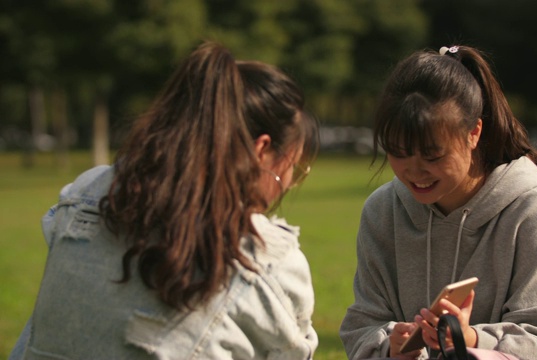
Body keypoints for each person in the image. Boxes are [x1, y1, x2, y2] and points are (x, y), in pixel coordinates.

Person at [9, 41, 319, 360]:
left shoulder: (85, 193)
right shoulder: (267, 257)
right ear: (261, 150)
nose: (290, 183)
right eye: (293, 167)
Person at [339, 45, 537, 360]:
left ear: (474, 133)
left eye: (432, 155)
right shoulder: (382, 211)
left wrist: (470, 338)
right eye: (398, 153)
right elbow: (363, 325)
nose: (413, 171)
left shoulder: (531, 207)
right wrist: (390, 347)